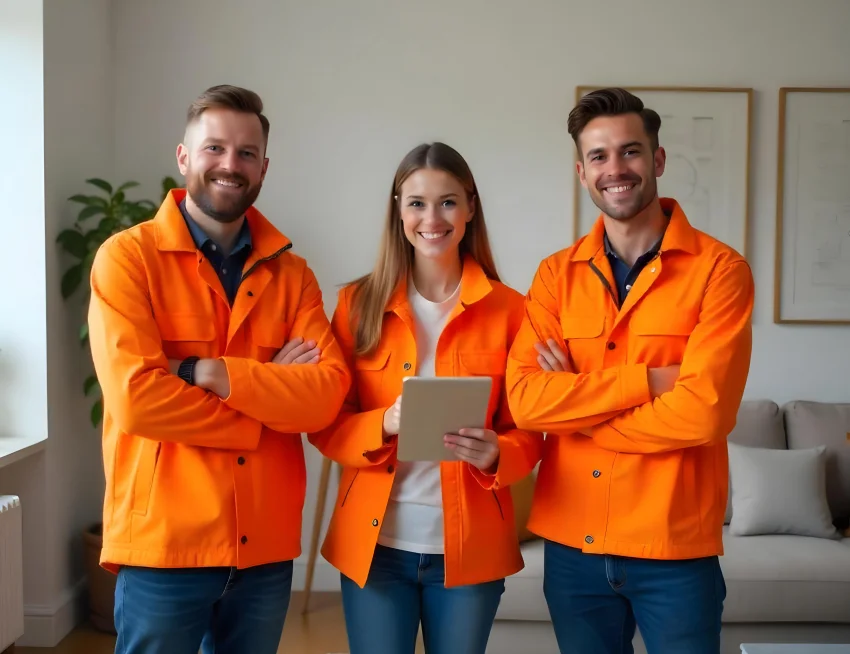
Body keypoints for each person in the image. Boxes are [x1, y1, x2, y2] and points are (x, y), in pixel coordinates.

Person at [87, 84, 351, 654]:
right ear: (184, 158)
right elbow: (136, 400)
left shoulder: (294, 276)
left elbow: (324, 396)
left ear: (263, 167)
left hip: (265, 548)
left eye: (247, 153)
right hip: (165, 545)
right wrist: (264, 400)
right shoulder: (127, 259)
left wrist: (205, 371)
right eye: (214, 148)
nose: (230, 165)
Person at [505, 88, 755, 654]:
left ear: (658, 160)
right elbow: (527, 402)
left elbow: (704, 414)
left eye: (630, 152)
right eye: (599, 156)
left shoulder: (720, 271)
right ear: (581, 171)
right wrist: (646, 382)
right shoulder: (554, 276)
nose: (615, 169)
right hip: (572, 550)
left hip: (674, 549)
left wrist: (582, 416)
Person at [308, 142, 543, 654]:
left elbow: (530, 429)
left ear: (471, 208)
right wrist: (384, 424)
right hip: (375, 549)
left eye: (448, 202)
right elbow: (324, 424)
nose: (431, 218)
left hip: (470, 549)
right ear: (397, 209)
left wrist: (499, 453)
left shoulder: (512, 310)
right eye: (416, 202)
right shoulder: (357, 304)